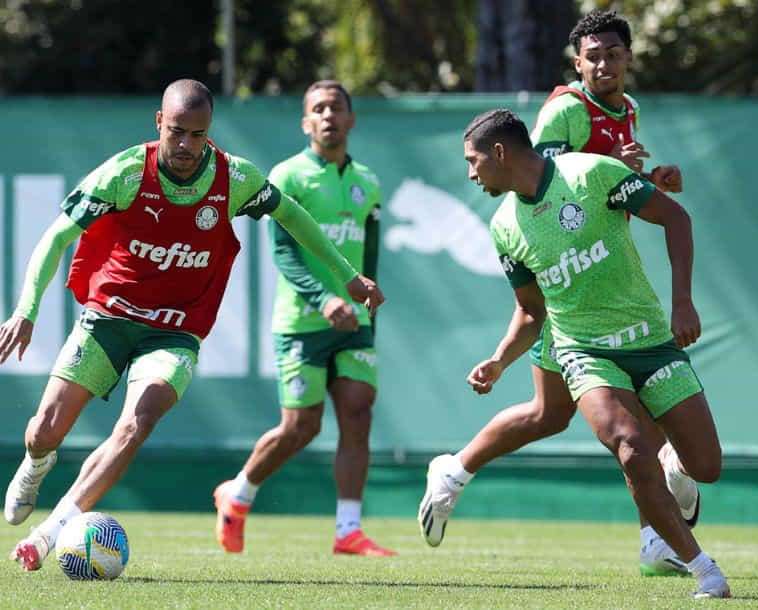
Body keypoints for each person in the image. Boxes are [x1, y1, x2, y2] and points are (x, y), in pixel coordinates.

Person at [1, 79, 384, 572]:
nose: (185, 147)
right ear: (159, 123)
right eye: (176, 133)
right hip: (108, 317)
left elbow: (293, 216)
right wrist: (26, 309)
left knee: (139, 420)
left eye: (197, 136)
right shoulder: (124, 173)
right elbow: (56, 238)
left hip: (175, 330)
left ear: (210, 133)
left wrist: (348, 277)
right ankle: (35, 465)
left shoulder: (233, 178)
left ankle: (51, 532)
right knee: (44, 431)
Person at [418, 9, 698, 578]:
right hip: (567, 286)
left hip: (600, 282)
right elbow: (540, 176)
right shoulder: (567, 108)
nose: (603, 63)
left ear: (626, 59)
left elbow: (613, 183)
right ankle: (657, 530)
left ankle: (453, 473)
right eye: (592, 55)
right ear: (577, 63)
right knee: (624, 417)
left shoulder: (626, 110)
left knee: (551, 415)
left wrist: (652, 179)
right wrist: (615, 172)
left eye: (612, 54)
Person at [213, 80, 395, 557]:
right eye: (318, 108)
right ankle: (237, 495)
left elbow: (368, 252)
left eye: (336, 107)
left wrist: (365, 305)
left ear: (351, 119)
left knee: (358, 412)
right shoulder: (288, 176)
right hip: (301, 323)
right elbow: (283, 253)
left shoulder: (368, 182)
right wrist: (323, 300)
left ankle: (348, 530)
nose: (328, 115)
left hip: (354, 323)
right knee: (301, 427)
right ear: (306, 123)